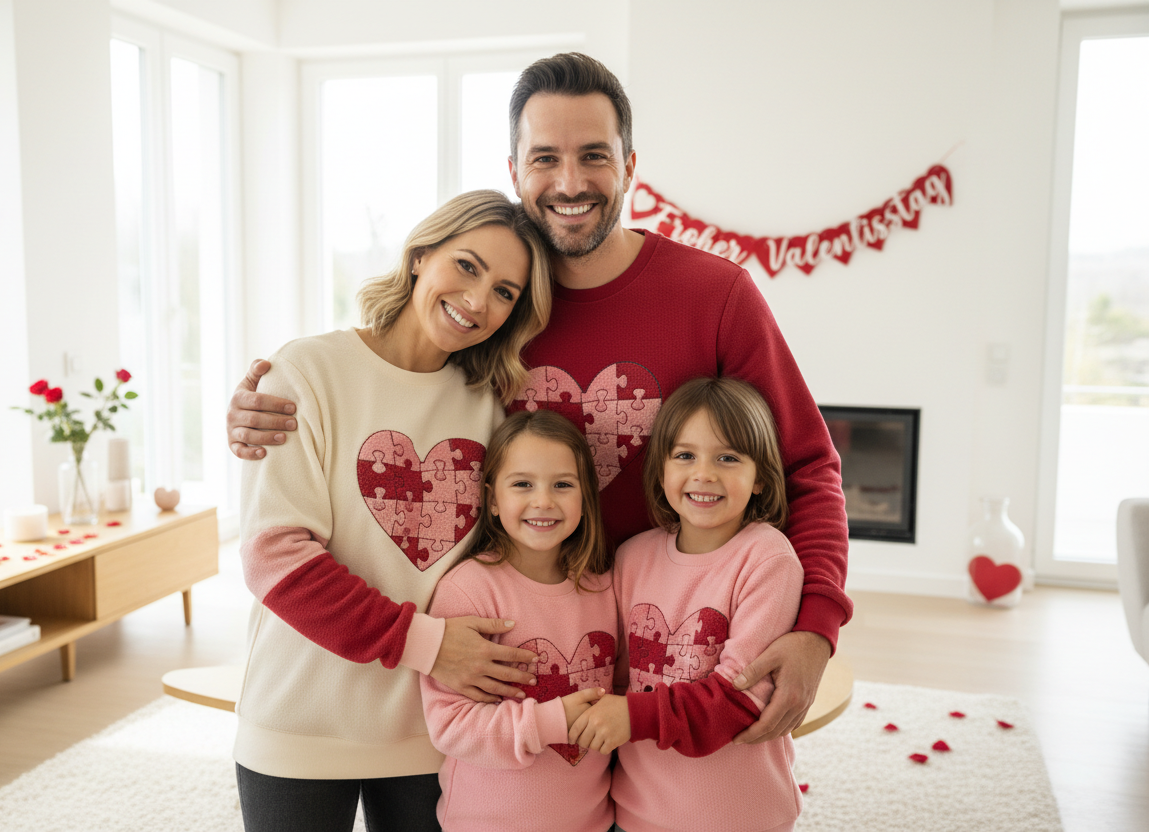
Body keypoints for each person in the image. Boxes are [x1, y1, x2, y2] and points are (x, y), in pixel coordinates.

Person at [226, 52, 851, 743]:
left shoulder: (717, 296)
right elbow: (381, 389)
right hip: (521, 666)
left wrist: (818, 625)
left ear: (631, 167)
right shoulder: (491, 322)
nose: (571, 182)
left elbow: (807, 468)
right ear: (515, 172)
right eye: (546, 158)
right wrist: (271, 401)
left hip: (678, 656)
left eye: (594, 157)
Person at [234, 190, 556, 832]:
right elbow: (275, 557)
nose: (477, 300)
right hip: (300, 719)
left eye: (505, 292)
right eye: (466, 266)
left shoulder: (492, 406)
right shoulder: (307, 371)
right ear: (419, 256)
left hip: (431, 727)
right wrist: (429, 644)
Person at [572, 377, 804, 832]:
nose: (704, 474)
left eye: (728, 458)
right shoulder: (631, 557)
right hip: (636, 814)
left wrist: (634, 716)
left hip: (742, 816)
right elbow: (614, 678)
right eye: (685, 456)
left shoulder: (767, 558)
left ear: (760, 478)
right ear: (661, 470)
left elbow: (742, 699)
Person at [419, 409, 618, 832]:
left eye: (562, 485)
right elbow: (451, 726)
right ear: (492, 499)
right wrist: (551, 722)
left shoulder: (605, 587)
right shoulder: (468, 590)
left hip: (592, 820)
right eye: (522, 484)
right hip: (487, 822)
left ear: (586, 497)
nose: (543, 501)